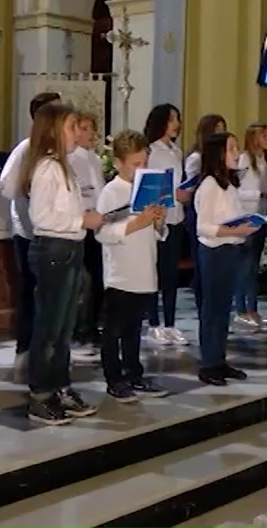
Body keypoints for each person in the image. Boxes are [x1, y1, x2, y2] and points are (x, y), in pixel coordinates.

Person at [18, 102, 105, 425]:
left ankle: (59, 387)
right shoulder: (47, 168)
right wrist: (82, 219)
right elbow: (41, 217)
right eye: (71, 126)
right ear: (54, 131)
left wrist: (83, 220)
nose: (75, 133)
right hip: (54, 249)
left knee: (64, 327)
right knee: (49, 329)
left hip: (69, 247)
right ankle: (40, 395)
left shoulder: (63, 166)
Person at [94, 130, 171, 402]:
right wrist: (136, 223)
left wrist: (159, 221)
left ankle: (134, 373)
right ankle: (114, 379)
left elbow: (158, 234)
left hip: (145, 268)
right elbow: (102, 233)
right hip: (120, 274)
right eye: (136, 165)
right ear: (118, 162)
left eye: (145, 163)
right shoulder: (111, 192)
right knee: (114, 329)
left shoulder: (150, 190)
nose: (142, 170)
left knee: (134, 329)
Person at [0, 91, 62, 383]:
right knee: (30, 294)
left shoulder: (58, 152)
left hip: (54, 235)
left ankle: (48, 351)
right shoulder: (26, 149)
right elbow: (8, 187)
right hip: (28, 232)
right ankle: (25, 349)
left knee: (51, 298)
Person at [194, 132, 260, 386]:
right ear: (218, 154)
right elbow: (204, 227)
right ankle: (209, 364)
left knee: (223, 310)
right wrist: (235, 230)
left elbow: (234, 215)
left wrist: (248, 224)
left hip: (231, 249)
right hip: (215, 252)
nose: (237, 152)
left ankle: (219, 360)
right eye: (232, 148)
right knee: (212, 310)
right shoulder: (210, 185)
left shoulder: (229, 185)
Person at [144, 104, 191, 346]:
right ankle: (153, 324)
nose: (176, 124)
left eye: (178, 119)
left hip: (176, 217)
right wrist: (175, 194)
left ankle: (171, 323)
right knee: (156, 272)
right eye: (172, 119)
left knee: (171, 274)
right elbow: (153, 186)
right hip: (158, 218)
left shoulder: (176, 151)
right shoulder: (152, 151)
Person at [67, 111, 106, 351]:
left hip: (97, 223)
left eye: (92, 128)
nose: (91, 133)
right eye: (85, 128)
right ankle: (78, 327)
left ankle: (91, 325)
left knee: (98, 277)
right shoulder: (70, 160)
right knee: (82, 281)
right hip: (81, 222)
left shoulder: (94, 159)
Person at [184, 114, 227, 315]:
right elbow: (191, 184)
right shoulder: (196, 158)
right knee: (201, 263)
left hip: (216, 213)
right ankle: (203, 305)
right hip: (198, 210)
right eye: (217, 129)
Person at [233, 122, 267, 330]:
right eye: (263, 135)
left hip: (261, 217)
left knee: (254, 267)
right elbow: (237, 191)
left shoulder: (263, 160)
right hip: (247, 217)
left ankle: (253, 308)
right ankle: (241, 309)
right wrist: (258, 194)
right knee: (245, 267)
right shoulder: (244, 160)